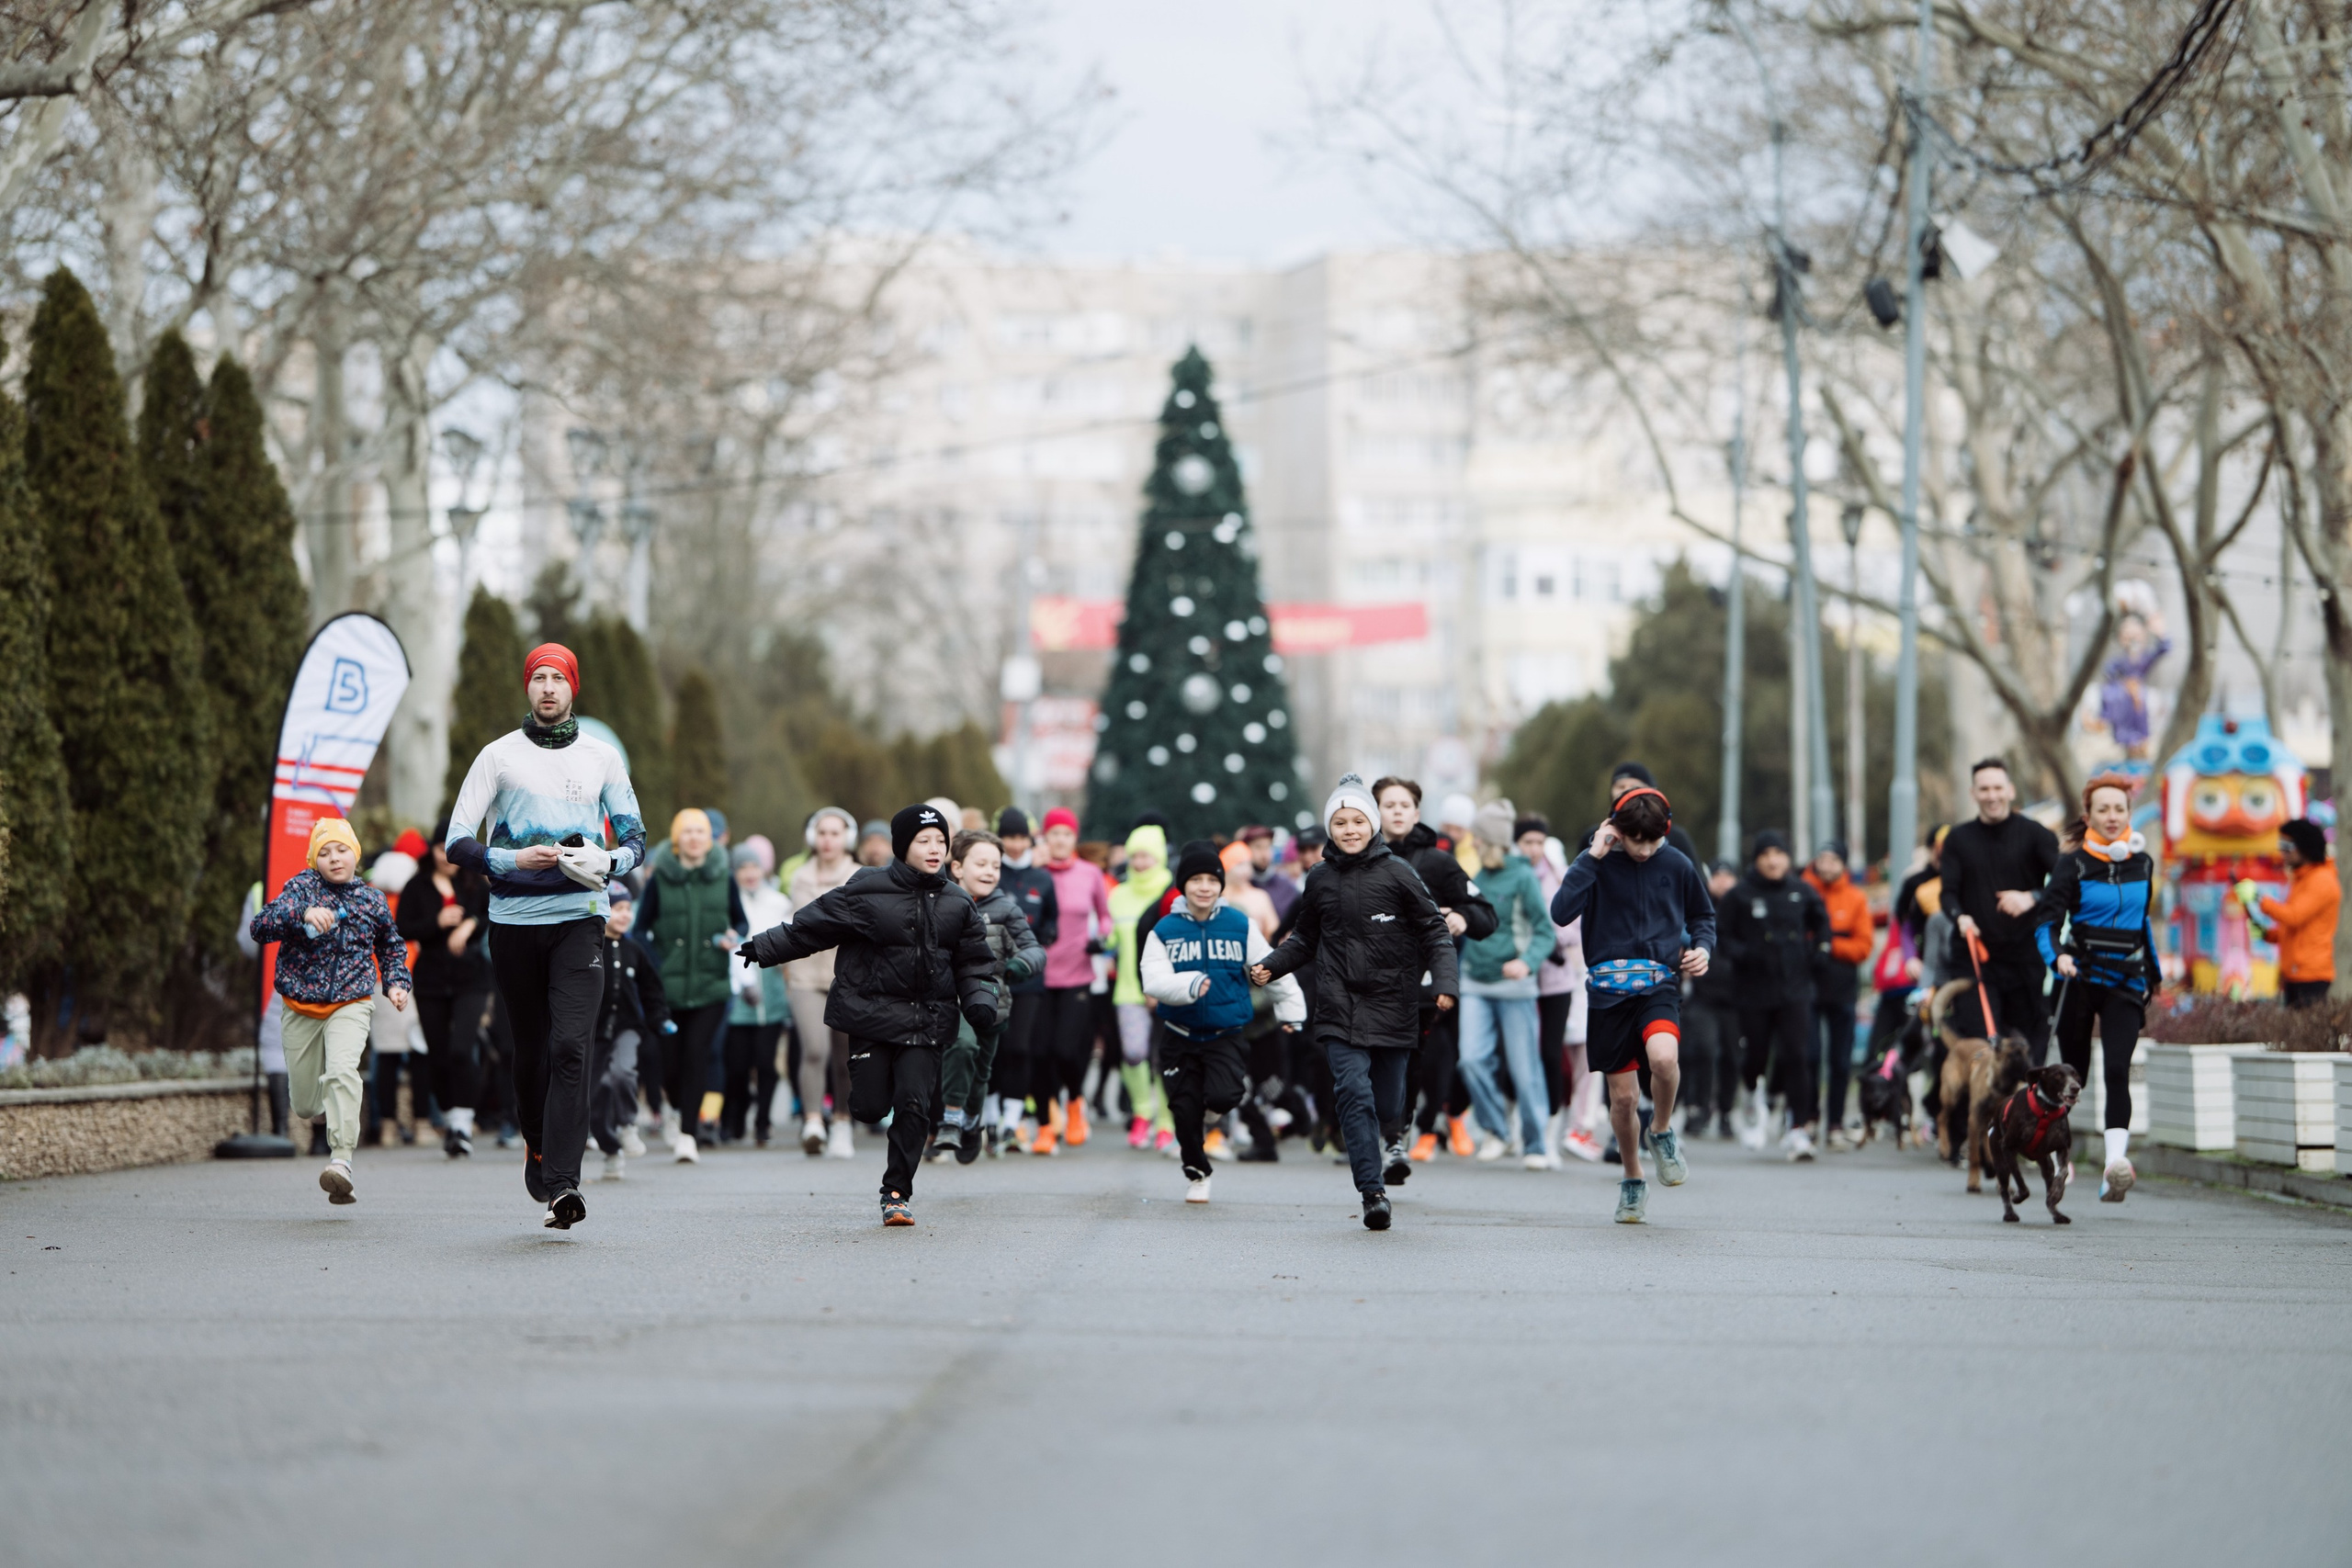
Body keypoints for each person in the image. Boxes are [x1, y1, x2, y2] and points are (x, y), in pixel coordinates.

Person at [445, 643, 644, 1230]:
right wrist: (511, 860)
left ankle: (563, 1184)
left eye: (559, 678)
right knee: (530, 1051)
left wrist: (606, 861)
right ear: (528, 687)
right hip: (513, 923)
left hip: (581, 917)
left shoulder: (601, 757)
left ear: (573, 687)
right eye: (539, 678)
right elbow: (457, 841)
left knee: (571, 1048)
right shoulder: (498, 756)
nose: (549, 687)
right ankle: (535, 1144)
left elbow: (635, 840)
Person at [741, 803, 1000, 1226]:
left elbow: (974, 962)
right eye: (924, 841)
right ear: (903, 846)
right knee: (868, 1107)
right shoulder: (866, 888)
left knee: (914, 1105)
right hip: (871, 1016)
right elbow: (814, 927)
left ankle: (896, 1193)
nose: (934, 849)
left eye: (940, 841)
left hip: (926, 1021)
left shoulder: (957, 902)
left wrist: (981, 1001)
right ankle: (872, 1095)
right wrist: (766, 947)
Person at [1253, 774, 1458, 1232]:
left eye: (1358, 821)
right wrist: (1271, 965)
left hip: (1395, 1005)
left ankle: (1388, 1133)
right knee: (1353, 1093)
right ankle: (1373, 1193)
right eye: (1340, 822)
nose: (1350, 830)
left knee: (1387, 1104)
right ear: (1330, 828)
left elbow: (1434, 931)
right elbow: (1305, 937)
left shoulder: (1399, 873)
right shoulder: (1320, 877)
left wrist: (1445, 982)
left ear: (1372, 824)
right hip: (1339, 1004)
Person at [1548, 787, 1713, 1224]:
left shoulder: (1676, 863)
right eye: (1633, 839)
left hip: (1659, 985)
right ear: (1615, 829)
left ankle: (1660, 1129)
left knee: (1664, 1058)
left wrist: (1702, 948)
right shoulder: (1596, 864)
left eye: (1651, 840)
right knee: (1622, 1100)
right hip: (1607, 994)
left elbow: (1703, 916)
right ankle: (1633, 1177)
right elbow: (1561, 913)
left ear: (1665, 831)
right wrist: (1593, 856)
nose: (1642, 850)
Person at [249, 818, 413, 1206]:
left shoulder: (371, 900)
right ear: (314, 860)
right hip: (301, 1004)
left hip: (352, 1001)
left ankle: (341, 1161)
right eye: (324, 853)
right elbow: (261, 926)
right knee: (305, 1104)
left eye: (342, 850)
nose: (335, 858)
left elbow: (391, 946)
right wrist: (302, 914)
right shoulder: (300, 888)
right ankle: (327, 1103)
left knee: (342, 1071)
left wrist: (396, 982)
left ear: (355, 854)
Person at [1143, 840, 1305, 1201]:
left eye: (1211, 880)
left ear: (1221, 884)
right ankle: (1197, 1173)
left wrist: (1292, 1009)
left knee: (1224, 1095)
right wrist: (1188, 986)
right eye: (1196, 880)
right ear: (1183, 885)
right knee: (1183, 1111)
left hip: (1226, 1033)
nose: (1204, 887)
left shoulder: (1239, 924)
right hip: (1178, 1034)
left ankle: (1212, 1114)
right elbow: (1152, 980)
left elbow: (1270, 966)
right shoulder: (1164, 930)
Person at [2035, 773, 2158, 1202]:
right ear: (2088, 816)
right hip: (2079, 978)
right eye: (2103, 809)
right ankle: (2059, 1156)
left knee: (2118, 1070)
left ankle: (2113, 1169)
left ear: (2129, 814)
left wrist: (2154, 973)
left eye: (2119, 809)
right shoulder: (2072, 864)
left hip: (2126, 980)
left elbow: (2142, 922)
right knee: (2074, 1076)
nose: (2112, 816)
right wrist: (2057, 958)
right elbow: (2046, 924)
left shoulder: (2143, 863)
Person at [1374, 776, 1497, 1178]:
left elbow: (1486, 914)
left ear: (1417, 813)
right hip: (1366, 982)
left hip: (1420, 984)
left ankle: (1396, 1138)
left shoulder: (1438, 862)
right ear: (1374, 811)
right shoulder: (1356, 861)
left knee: (1408, 1062)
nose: (1396, 811)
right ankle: (1374, 1133)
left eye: (1404, 805)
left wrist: (1462, 916)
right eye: (1388, 804)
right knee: (1367, 1063)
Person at [636, 807, 746, 1163]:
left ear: (710, 838)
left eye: (701, 831)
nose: (695, 837)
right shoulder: (659, 878)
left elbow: (741, 922)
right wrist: (657, 963)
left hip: (712, 984)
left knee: (697, 1054)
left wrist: (733, 936)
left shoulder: (724, 877)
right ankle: (676, 1108)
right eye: (688, 831)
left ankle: (688, 1134)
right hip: (668, 988)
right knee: (670, 1064)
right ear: (676, 838)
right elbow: (640, 929)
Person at [1456, 800, 1558, 1168]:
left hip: (1515, 987)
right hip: (1474, 982)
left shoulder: (1523, 877)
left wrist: (1526, 962)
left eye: (1478, 838)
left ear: (1493, 841)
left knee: (1523, 1069)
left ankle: (1535, 1144)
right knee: (1470, 1060)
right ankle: (1497, 1131)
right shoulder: (1477, 878)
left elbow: (1545, 931)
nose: (1473, 843)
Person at [1938, 758, 2061, 1060]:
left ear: (2010, 790)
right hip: (1974, 959)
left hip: (2024, 959)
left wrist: (2032, 897)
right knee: (1981, 1048)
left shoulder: (2036, 835)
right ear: (1973, 793)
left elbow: (2065, 883)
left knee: (2024, 1049)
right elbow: (1948, 893)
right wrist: (1960, 918)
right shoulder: (1957, 839)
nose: (1991, 796)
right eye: (1984, 789)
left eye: (1997, 788)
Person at [1717, 829, 1829, 1161]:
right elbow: (1722, 935)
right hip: (1753, 990)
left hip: (1795, 988)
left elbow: (1821, 924)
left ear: (1787, 858)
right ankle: (1753, 1101)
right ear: (1756, 860)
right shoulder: (1740, 894)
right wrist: (1744, 955)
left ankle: (1798, 1129)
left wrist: (1820, 951)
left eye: (1778, 854)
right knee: (1756, 1055)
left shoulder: (1802, 890)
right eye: (1765, 854)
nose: (1772, 860)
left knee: (1797, 1055)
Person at [934, 828, 1043, 1162]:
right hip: (951, 1000)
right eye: (981, 864)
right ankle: (952, 1118)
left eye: (995, 866)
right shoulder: (937, 902)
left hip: (993, 1001)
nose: (989, 872)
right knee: (962, 1046)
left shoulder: (1006, 910)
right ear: (957, 867)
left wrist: (1021, 964)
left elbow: (1034, 949)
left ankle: (971, 1123)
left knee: (981, 1071)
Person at [398, 829, 495, 1158]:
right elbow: (403, 927)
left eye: (451, 849)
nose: (446, 856)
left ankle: (463, 1123)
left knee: (461, 1049)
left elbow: (492, 911)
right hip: (431, 979)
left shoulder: (474, 882)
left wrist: (469, 925)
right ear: (432, 850)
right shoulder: (417, 885)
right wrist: (437, 922)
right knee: (437, 1053)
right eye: (441, 849)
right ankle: (451, 1119)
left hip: (471, 978)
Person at [1032, 807, 1112, 1154]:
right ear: (1045, 838)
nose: (1060, 840)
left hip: (1078, 973)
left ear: (1074, 838)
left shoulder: (1090, 874)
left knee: (1066, 1049)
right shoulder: (1036, 874)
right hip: (1038, 974)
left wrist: (1101, 938)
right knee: (1039, 1052)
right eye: (1054, 834)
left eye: (1066, 834)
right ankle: (1045, 1126)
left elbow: (1105, 917)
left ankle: (1075, 1102)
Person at [786, 807, 861, 1156]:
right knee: (815, 1049)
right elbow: (801, 925)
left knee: (846, 1055)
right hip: (805, 974)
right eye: (822, 833)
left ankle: (843, 1123)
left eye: (835, 833)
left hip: (848, 976)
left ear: (847, 838)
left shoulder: (859, 876)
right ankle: (813, 1121)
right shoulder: (800, 877)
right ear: (812, 837)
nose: (828, 840)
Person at [989, 808, 1060, 1155]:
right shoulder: (991, 873)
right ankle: (989, 1117)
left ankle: (1012, 1120)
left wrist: (1043, 938)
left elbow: (1051, 921)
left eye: (1021, 838)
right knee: (993, 1048)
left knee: (1020, 1047)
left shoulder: (1042, 878)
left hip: (1029, 978)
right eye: (1009, 837)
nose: (1015, 845)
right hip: (990, 974)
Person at [589, 884, 671, 1180]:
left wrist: (659, 1018)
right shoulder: (589, 947)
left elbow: (652, 989)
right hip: (594, 1032)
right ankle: (611, 1150)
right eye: (618, 908)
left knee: (623, 1073)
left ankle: (627, 1124)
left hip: (627, 1028)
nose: (625, 915)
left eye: (628, 909)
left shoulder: (635, 949)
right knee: (595, 1095)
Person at [1108, 823, 1176, 1150]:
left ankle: (1165, 1122)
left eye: (1147, 855)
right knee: (1134, 1053)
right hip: (1129, 988)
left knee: (1164, 1057)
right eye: (1135, 856)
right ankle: (1141, 1113)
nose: (1140, 862)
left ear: (1159, 857)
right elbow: (1109, 937)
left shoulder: (1171, 891)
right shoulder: (1118, 895)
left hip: (1167, 988)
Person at [1804, 839, 1874, 1148]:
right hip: (1808, 986)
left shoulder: (1855, 898)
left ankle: (1835, 1123)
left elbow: (1863, 946)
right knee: (1809, 1056)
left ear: (1843, 865)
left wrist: (1827, 944)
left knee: (1841, 1062)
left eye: (1833, 860)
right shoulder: (1804, 892)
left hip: (1842, 989)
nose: (1827, 865)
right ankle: (1807, 1118)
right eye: (1823, 859)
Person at [722, 843, 790, 1145]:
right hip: (738, 990)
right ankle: (735, 1116)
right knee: (737, 1065)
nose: (749, 873)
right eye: (742, 868)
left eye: (754, 867)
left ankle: (763, 1121)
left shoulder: (779, 903)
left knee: (765, 1062)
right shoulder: (728, 902)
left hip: (771, 990)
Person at [1680, 859, 1743, 1141]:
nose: (1723, 881)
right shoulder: (1699, 906)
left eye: (1729, 876)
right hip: (1702, 995)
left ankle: (1726, 1111)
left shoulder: (1744, 907)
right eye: (1718, 875)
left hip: (1735, 997)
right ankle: (1699, 1107)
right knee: (1703, 1050)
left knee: (1732, 1055)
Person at [2254, 818, 2338, 1008]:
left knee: (2306, 1025)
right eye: (2280, 845)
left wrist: (2260, 899)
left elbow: (2294, 917)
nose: (2282, 852)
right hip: (2295, 973)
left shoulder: (2321, 880)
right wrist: (2268, 934)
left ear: (2305, 847)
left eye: (2287, 846)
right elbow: (2297, 929)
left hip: (2311, 975)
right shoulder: (2302, 878)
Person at [1599, 762, 1704, 868]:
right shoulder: (1598, 837)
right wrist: (1592, 858)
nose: (1626, 791)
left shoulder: (1677, 838)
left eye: (1634, 787)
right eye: (1621, 786)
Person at [1240, 825, 1296, 920]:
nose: (1264, 853)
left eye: (1268, 847)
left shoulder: (1286, 887)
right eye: (1258, 847)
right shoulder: (1238, 887)